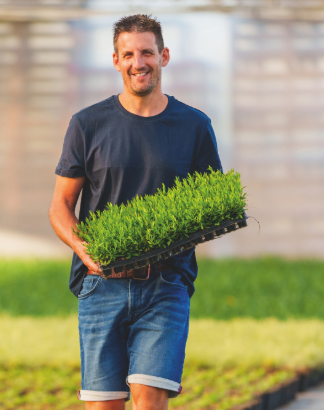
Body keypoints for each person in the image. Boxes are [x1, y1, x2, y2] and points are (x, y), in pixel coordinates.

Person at [48, 14, 223, 410]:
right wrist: (84, 251)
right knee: (104, 404)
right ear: (116, 60)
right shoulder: (87, 124)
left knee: (149, 399)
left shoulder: (194, 126)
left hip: (165, 284)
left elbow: (213, 204)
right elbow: (60, 205)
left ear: (164, 56)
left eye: (147, 53)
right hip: (101, 285)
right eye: (128, 54)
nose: (138, 63)